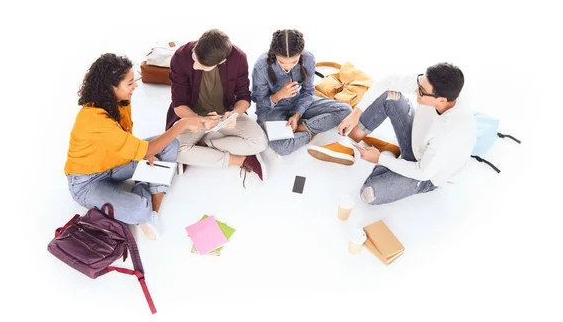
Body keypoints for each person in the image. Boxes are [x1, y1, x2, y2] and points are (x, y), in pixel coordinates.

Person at [65, 53, 217, 240]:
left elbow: (125, 138)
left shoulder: (119, 101)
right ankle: (148, 204)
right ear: (111, 87)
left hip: (115, 162)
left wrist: (143, 153)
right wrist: (181, 125)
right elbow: (142, 148)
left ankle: (151, 208)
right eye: (130, 83)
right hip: (87, 182)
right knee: (139, 210)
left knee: (171, 145)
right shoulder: (95, 120)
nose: (135, 85)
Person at [308, 63, 476, 205]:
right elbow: (387, 82)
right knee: (390, 95)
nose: (416, 91)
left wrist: (381, 159)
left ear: (441, 100)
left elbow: (422, 172)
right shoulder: (430, 87)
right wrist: (356, 113)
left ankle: (388, 153)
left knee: (368, 194)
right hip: (416, 142)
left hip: (426, 174)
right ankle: (349, 145)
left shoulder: (449, 134)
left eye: (422, 92)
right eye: (419, 84)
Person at [165, 29, 268, 187]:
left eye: (202, 65)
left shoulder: (238, 58)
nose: (194, 64)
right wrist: (200, 121)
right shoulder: (180, 56)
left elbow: (244, 98)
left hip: (223, 114)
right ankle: (241, 159)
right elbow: (178, 105)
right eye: (194, 57)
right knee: (174, 151)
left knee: (260, 142)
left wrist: (233, 115)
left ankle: (204, 146)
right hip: (192, 115)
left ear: (221, 62)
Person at [251, 29, 352, 156]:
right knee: (283, 148)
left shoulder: (308, 58)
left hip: (298, 102)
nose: (288, 67)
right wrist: (278, 96)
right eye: (282, 62)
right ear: (274, 53)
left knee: (346, 111)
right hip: (272, 110)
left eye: (294, 62)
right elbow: (259, 103)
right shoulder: (261, 66)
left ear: (300, 53)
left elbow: (308, 91)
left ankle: (300, 128)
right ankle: (310, 132)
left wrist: (297, 115)